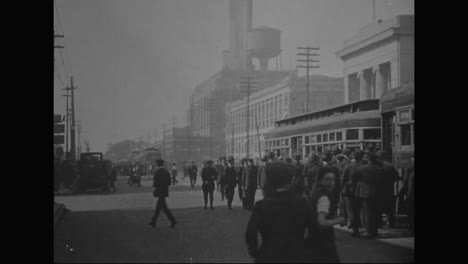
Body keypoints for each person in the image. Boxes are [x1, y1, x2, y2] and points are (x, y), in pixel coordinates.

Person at [245, 161, 312, 263]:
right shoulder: (303, 203)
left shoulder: (261, 206)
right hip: (297, 255)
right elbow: (315, 228)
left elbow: (250, 233)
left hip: (269, 255)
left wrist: (255, 252)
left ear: (269, 181)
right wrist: (304, 245)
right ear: (290, 179)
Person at [304, 166, 346, 263]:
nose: (331, 183)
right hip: (323, 239)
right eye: (327, 179)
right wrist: (339, 220)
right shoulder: (324, 197)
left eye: (333, 180)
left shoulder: (315, 191)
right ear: (320, 180)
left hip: (313, 236)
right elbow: (322, 222)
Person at [354, 152, 383, 239]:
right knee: (376, 212)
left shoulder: (362, 168)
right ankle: (375, 231)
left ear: (369, 159)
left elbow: (354, 176)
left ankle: (369, 231)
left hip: (365, 192)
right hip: (377, 192)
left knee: (368, 212)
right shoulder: (379, 169)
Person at [341, 150, 364, 237]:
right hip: (360, 191)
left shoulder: (348, 166)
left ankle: (355, 230)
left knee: (351, 211)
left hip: (349, 191)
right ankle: (360, 226)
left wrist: (342, 189)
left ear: (353, 157)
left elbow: (343, 179)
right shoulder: (363, 166)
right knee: (358, 210)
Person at [149, 159, 176, 228]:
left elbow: (155, 184)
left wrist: (156, 189)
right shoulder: (166, 172)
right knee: (162, 208)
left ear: (158, 165)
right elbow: (169, 183)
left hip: (159, 192)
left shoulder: (157, 172)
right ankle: (153, 221)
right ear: (163, 164)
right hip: (164, 191)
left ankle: (172, 220)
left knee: (161, 208)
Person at [376, 151, 400, 228]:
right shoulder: (390, 166)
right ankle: (391, 223)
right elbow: (396, 177)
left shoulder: (376, 166)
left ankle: (379, 224)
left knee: (379, 207)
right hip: (389, 189)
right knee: (390, 208)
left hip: (379, 190)